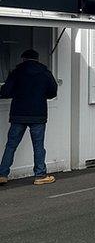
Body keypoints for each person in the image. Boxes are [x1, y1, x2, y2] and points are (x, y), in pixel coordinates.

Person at [0, 49, 58, 185]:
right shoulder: (45, 72)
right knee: (38, 146)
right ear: (37, 59)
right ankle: (40, 175)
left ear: (23, 59)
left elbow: (6, 91)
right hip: (38, 114)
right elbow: (52, 91)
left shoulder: (16, 72)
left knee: (11, 145)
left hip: (18, 114)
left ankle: (2, 174)